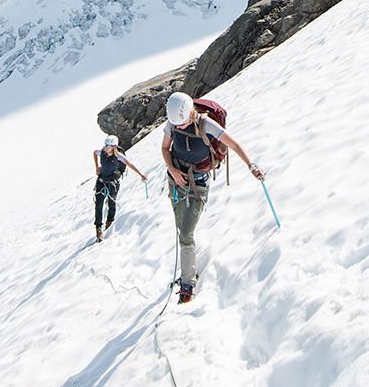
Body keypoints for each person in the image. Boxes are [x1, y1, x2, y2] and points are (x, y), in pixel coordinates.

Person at [160, 91, 265, 304]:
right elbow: (165, 148)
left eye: (181, 124)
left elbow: (233, 144)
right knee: (181, 226)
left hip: (198, 184)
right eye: (176, 125)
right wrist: (173, 170)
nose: (178, 128)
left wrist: (251, 166)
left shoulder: (205, 124)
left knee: (186, 232)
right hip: (176, 180)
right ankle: (187, 270)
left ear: (190, 112)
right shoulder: (172, 123)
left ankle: (188, 283)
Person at [92, 133, 145, 241]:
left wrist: (141, 175)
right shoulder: (102, 152)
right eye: (106, 144)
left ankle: (109, 222)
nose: (106, 147)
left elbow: (130, 164)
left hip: (112, 182)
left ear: (114, 147)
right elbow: (94, 152)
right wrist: (97, 167)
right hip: (102, 180)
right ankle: (98, 228)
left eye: (108, 145)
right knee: (99, 203)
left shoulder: (119, 156)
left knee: (112, 202)